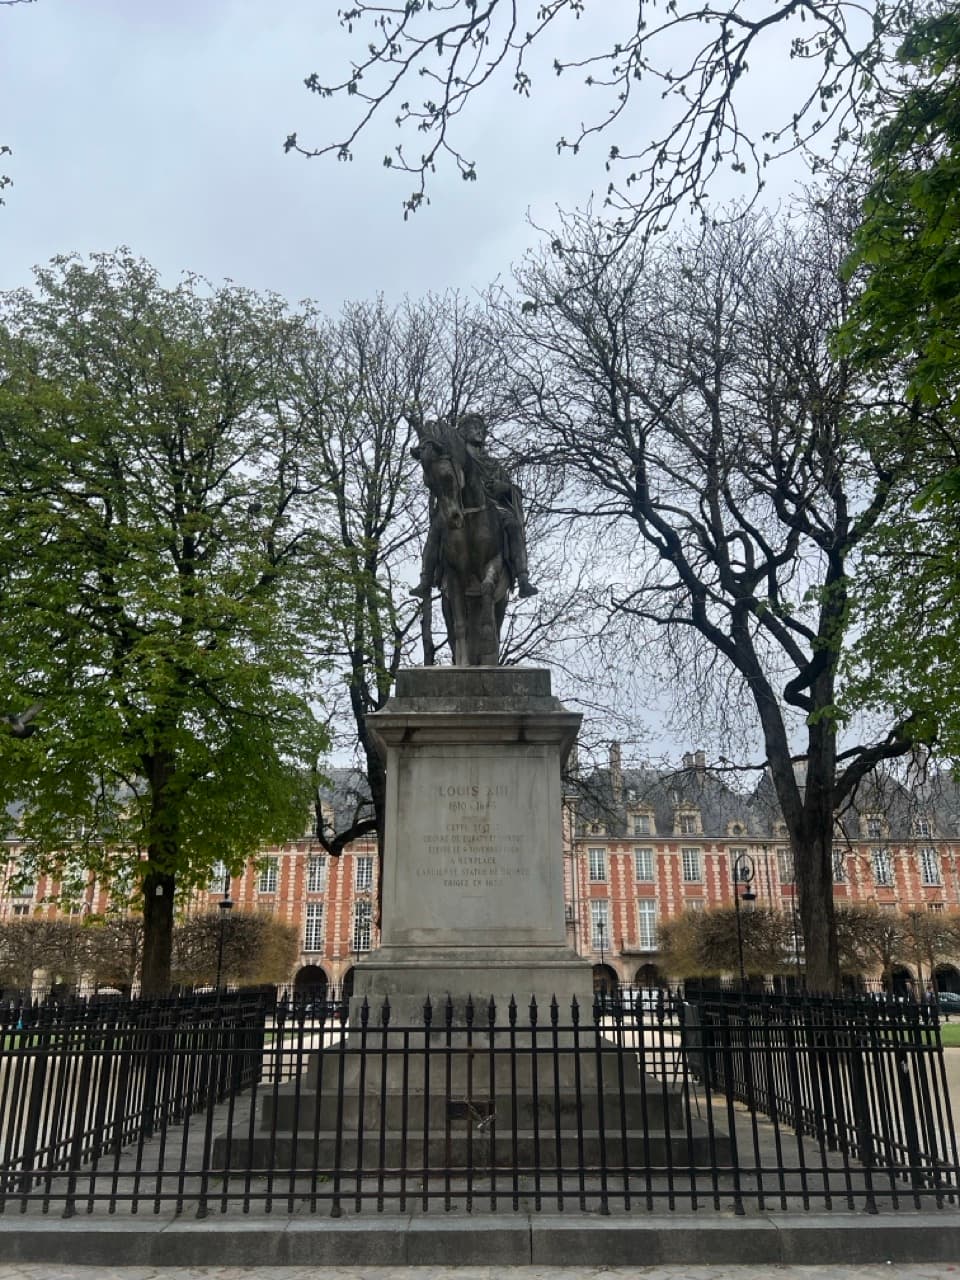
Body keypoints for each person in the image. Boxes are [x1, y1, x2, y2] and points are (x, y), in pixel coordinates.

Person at [411, 412, 538, 599]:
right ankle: (426, 580)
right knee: (435, 529)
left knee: (512, 524)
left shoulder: (493, 464)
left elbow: (515, 491)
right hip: (458, 507)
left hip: (492, 508)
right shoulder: (457, 461)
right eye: (473, 425)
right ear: (462, 431)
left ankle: (523, 578)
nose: (479, 430)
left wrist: (504, 488)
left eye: (481, 428)